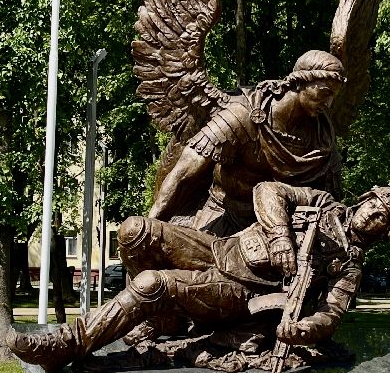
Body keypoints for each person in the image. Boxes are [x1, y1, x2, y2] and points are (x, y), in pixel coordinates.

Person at [8, 181, 390, 370]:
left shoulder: (349, 265)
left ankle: (70, 344)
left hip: (241, 292)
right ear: (365, 200)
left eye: (383, 219)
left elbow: (331, 315)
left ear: (383, 232)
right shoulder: (320, 203)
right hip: (220, 248)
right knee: (135, 230)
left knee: (152, 284)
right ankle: (157, 320)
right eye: (375, 206)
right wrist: (282, 237)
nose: (373, 215)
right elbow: (267, 192)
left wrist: (303, 331)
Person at [147, 51, 345, 236]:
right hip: (223, 219)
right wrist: (151, 226)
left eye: (333, 97)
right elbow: (183, 174)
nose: (328, 104)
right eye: (324, 93)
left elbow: (331, 197)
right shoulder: (242, 116)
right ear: (300, 82)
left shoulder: (323, 136)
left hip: (283, 228)